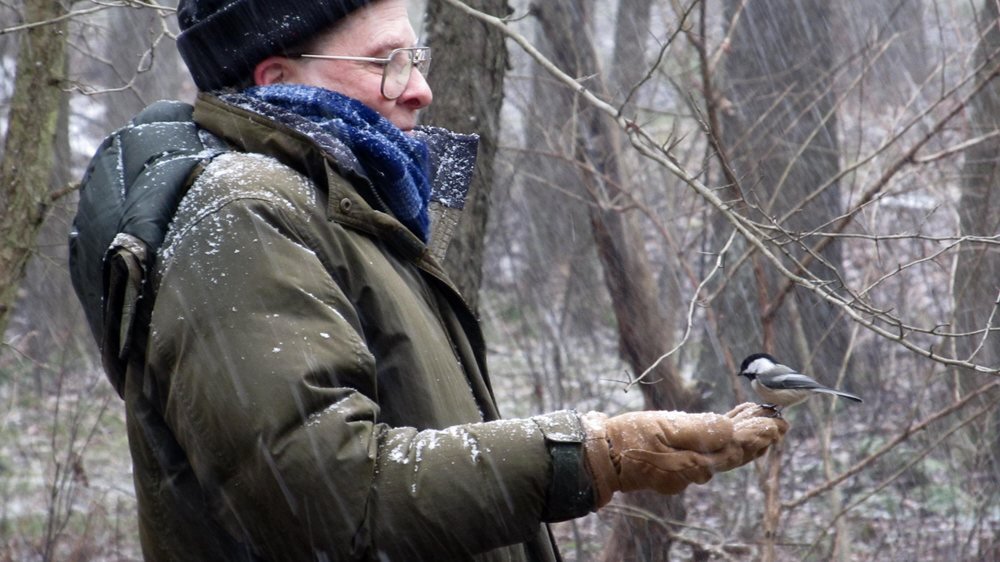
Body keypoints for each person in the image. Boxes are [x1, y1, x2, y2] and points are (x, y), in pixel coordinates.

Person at [68, 0, 788, 560]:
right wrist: (589, 454)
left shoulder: (345, 204)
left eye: (416, 57)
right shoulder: (246, 212)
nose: (421, 89)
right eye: (387, 62)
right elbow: (329, 502)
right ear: (277, 78)